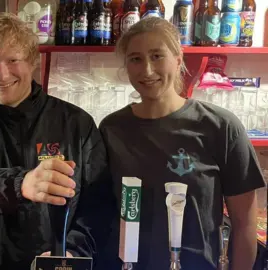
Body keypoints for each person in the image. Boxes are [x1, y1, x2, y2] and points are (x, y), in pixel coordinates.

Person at [0, 12, 115, 269]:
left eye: (12, 60)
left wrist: (72, 251)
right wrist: (21, 184)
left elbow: (99, 204)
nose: (0, 76)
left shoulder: (76, 123)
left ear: (32, 61)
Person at [98, 17, 266, 270]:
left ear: (178, 59)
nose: (147, 70)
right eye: (135, 59)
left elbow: (244, 225)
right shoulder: (111, 128)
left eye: (157, 56)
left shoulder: (220, 126)